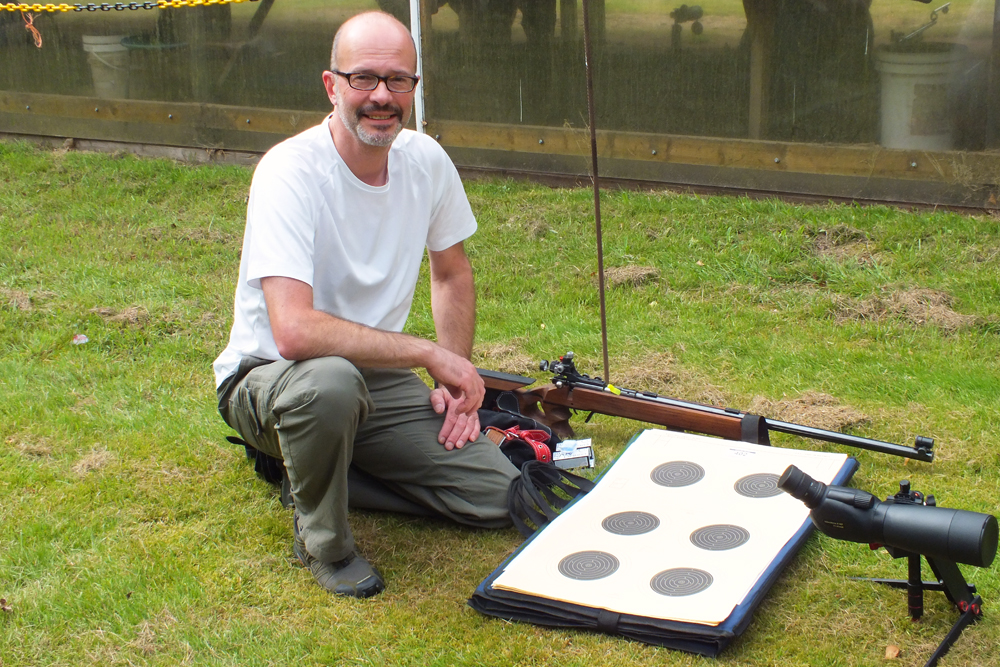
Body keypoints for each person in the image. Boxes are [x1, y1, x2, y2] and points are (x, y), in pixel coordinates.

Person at [213, 11, 519, 599]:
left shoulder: (426, 161)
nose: (382, 96)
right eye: (364, 79)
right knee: (327, 386)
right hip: (270, 381)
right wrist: (428, 351)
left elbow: (452, 272)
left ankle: (309, 472)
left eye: (398, 80)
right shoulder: (288, 172)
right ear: (332, 86)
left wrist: (453, 376)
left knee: (497, 496)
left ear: (414, 87)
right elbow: (294, 334)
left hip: (372, 380)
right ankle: (324, 540)